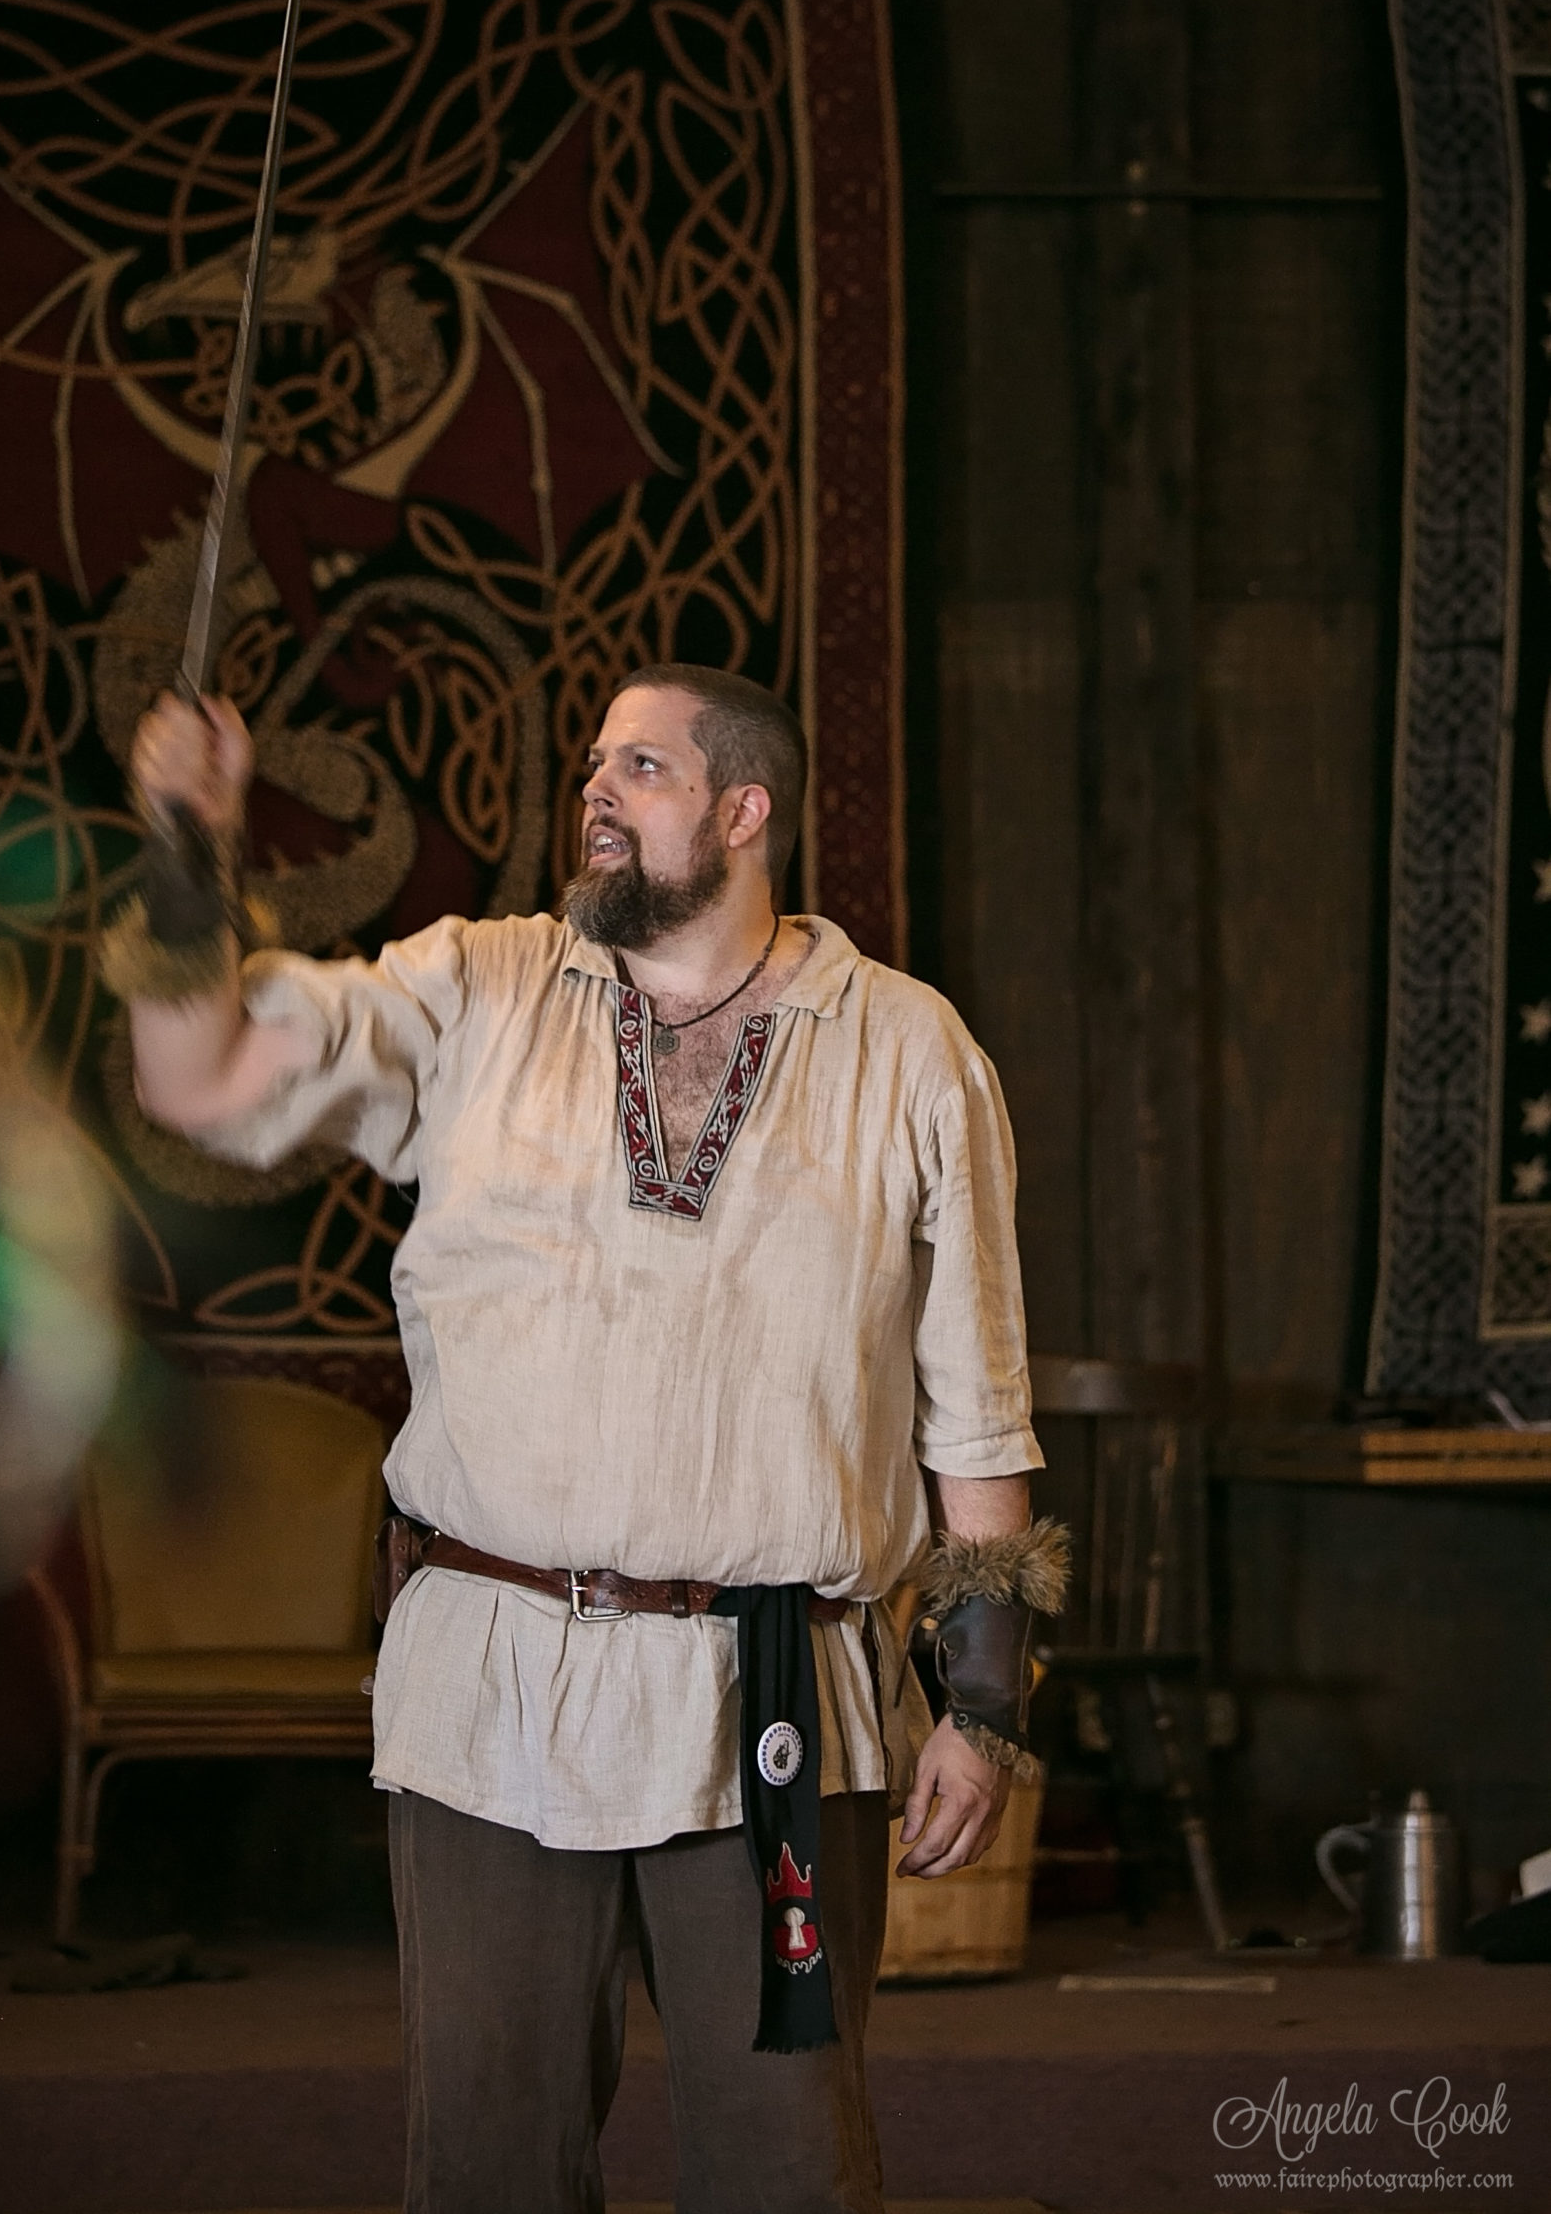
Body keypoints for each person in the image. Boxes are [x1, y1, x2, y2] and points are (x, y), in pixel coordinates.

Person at [109, 662, 1062, 2214]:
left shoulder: (908, 1049)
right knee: (487, 2172)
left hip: (772, 1699)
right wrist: (183, 839)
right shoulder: (478, 988)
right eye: (594, 767)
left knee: (787, 2176)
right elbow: (198, 1076)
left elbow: (980, 1403)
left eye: (645, 767)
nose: (598, 791)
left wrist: (986, 1702)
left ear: (744, 810)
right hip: (493, 1686)